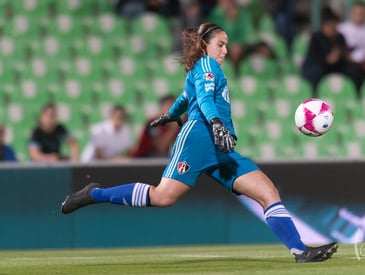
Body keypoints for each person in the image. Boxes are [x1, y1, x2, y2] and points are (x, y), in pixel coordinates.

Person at [61, 23, 338, 263]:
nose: (225, 51)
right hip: (199, 138)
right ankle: (93, 193)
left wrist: (170, 115)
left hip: (220, 146)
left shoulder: (200, 68)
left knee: (267, 192)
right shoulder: (206, 65)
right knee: (162, 197)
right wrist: (216, 124)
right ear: (206, 44)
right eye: (221, 44)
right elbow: (204, 100)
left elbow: (185, 97)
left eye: (226, 45)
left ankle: (300, 250)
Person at [301, 8, 361, 93]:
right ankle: (315, 95)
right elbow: (315, 58)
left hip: (336, 67)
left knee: (353, 71)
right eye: (330, 25)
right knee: (316, 72)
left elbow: (344, 53)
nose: (333, 28)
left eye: (335, 25)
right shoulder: (316, 37)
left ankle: (353, 95)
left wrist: (347, 58)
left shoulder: (340, 37)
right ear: (324, 26)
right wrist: (328, 60)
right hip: (317, 66)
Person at [208, 0, 255, 74]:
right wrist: (230, 45)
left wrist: (239, 44)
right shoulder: (218, 17)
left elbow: (247, 33)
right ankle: (230, 72)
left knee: (239, 51)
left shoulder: (245, 16)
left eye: (233, 8)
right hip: (225, 46)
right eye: (229, 9)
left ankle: (240, 72)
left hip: (242, 47)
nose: (232, 11)